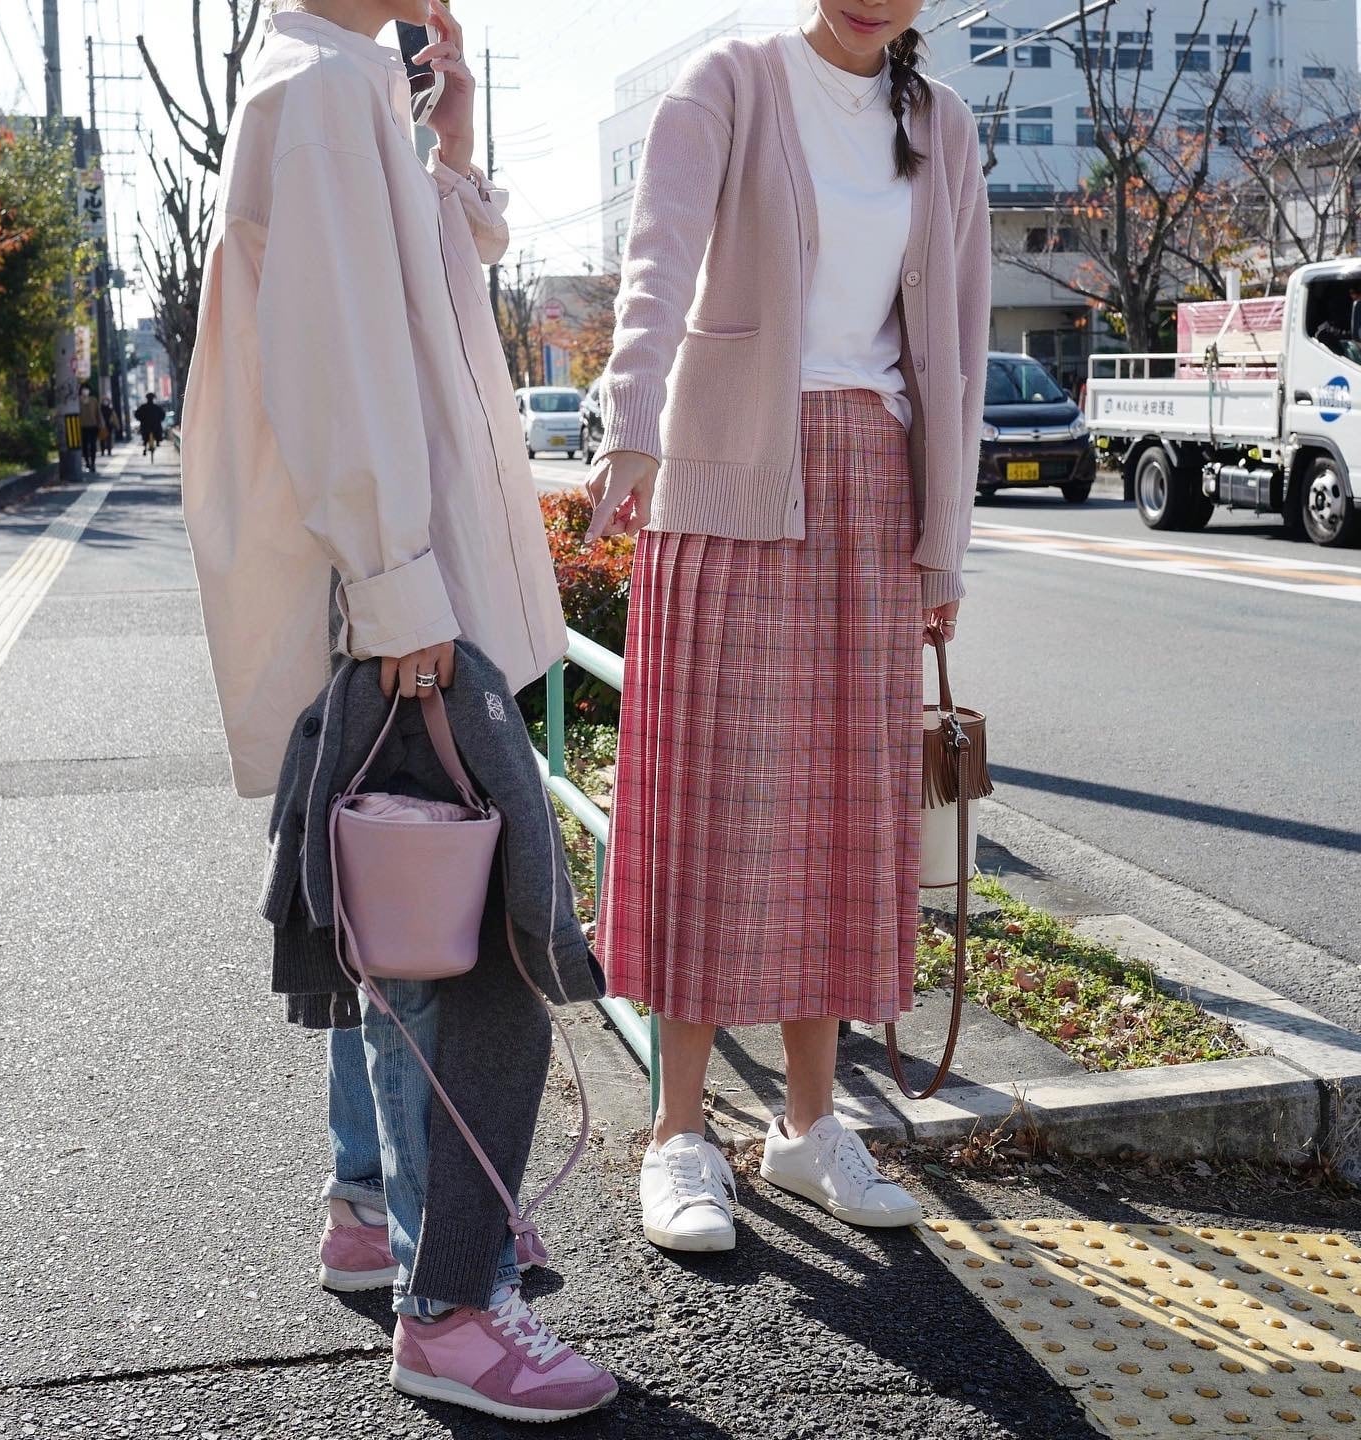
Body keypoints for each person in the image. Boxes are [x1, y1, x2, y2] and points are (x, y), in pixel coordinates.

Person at [180, 0, 617, 1422]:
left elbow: (419, 299)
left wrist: (454, 138)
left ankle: (375, 1209)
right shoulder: (313, 92)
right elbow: (336, 365)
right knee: (447, 944)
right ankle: (448, 1307)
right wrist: (398, 585)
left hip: (402, 585)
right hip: (398, 598)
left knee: (395, 912)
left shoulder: (339, 80)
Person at [587, 0, 990, 1251]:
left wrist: (944, 532)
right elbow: (655, 266)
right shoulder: (730, 82)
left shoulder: (943, 125)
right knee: (713, 801)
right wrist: (632, 424)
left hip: (872, 483)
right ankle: (679, 1135)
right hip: (725, 476)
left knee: (838, 809)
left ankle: (809, 1129)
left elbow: (962, 342)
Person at [77, 383, 102, 473]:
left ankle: (93, 463)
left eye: (87, 389)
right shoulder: (77, 400)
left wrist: (100, 424)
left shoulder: (93, 400)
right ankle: (87, 462)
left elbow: (98, 413)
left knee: (93, 445)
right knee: (84, 446)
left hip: (93, 426)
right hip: (82, 426)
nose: (85, 391)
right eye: (84, 389)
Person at [135, 392, 165, 459]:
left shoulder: (143, 407)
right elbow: (163, 415)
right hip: (155, 427)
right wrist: (159, 420)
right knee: (158, 432)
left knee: (144, 436)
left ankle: (145, 446)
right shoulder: (157, 407)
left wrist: (141, 419)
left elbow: (137, 414)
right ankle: (157, 441)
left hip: (145, 426)